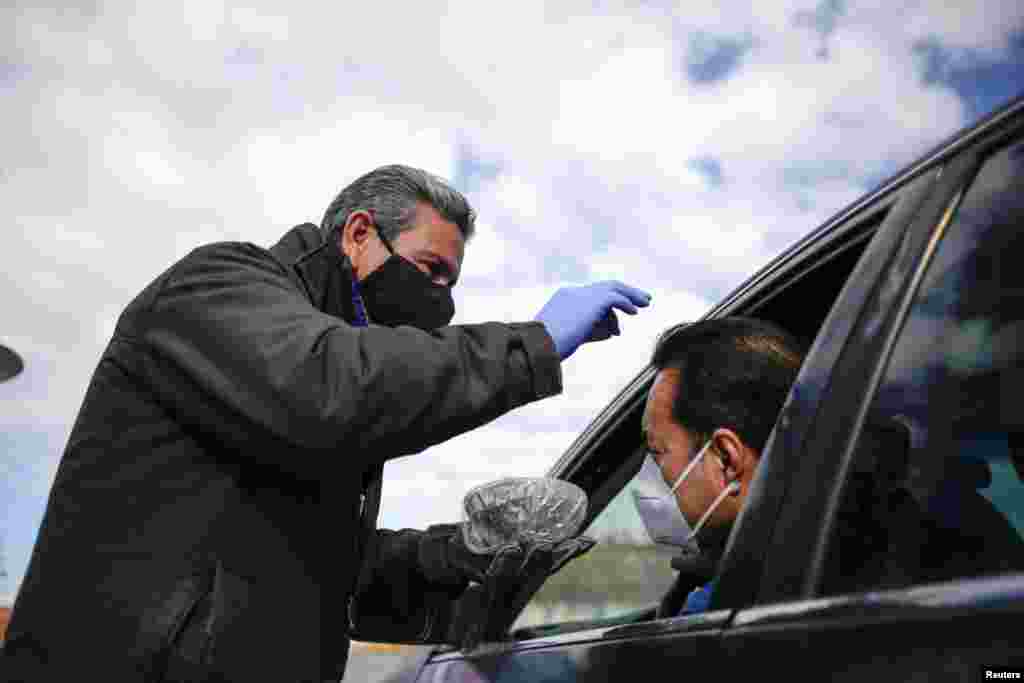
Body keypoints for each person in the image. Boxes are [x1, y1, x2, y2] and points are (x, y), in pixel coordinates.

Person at [2, 164, 651, 682]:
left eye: (451, 283)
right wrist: (531, 345)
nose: (441, 300)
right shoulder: (218, 287)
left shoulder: (325, 390)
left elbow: (331, 573)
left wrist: (466, 548)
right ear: (359, 233)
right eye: (430, 270)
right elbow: (331, 388)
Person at [635, 317, 805, 616]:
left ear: (726, 459)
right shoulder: (820, 554)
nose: (648, 475)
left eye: (657, 451)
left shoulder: (729, 610)